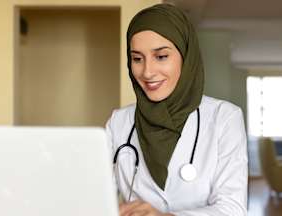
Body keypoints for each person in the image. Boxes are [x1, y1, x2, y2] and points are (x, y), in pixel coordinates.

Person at [106, 3, 248, 216]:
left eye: (161, 56)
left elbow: (233, 209)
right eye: (137, 59)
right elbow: (94, 196)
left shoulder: (224, 118)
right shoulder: (119, 122)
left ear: (186, 56)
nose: (147, 72)